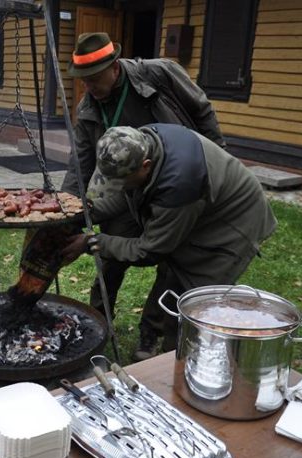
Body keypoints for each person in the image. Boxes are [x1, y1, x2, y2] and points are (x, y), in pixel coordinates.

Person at [62, 32, 226, 361]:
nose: (90, 87)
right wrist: (67, 207)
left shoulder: (159, 73)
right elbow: (80, 161)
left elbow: (202, 110)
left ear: (114, 68)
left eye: (95, 79)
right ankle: (98, 319)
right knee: (111, 253)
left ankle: (152, 331)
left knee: (171, 260)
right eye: (84, 81)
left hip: (175, 181)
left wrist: (216, 159)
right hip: (127, 188)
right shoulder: (89, 107)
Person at [62, 124, 277, 352]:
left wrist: (91, 242)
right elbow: (125, 195)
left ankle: (176, 355)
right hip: (199, 205)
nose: (121, 186)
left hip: (232, 223)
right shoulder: (140, 142)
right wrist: (85, 213)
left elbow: (150, 250)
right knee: (171, 275)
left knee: (194, 300)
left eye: (125, 180)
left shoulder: (180, 183)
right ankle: (153, 335)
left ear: (146, 166)